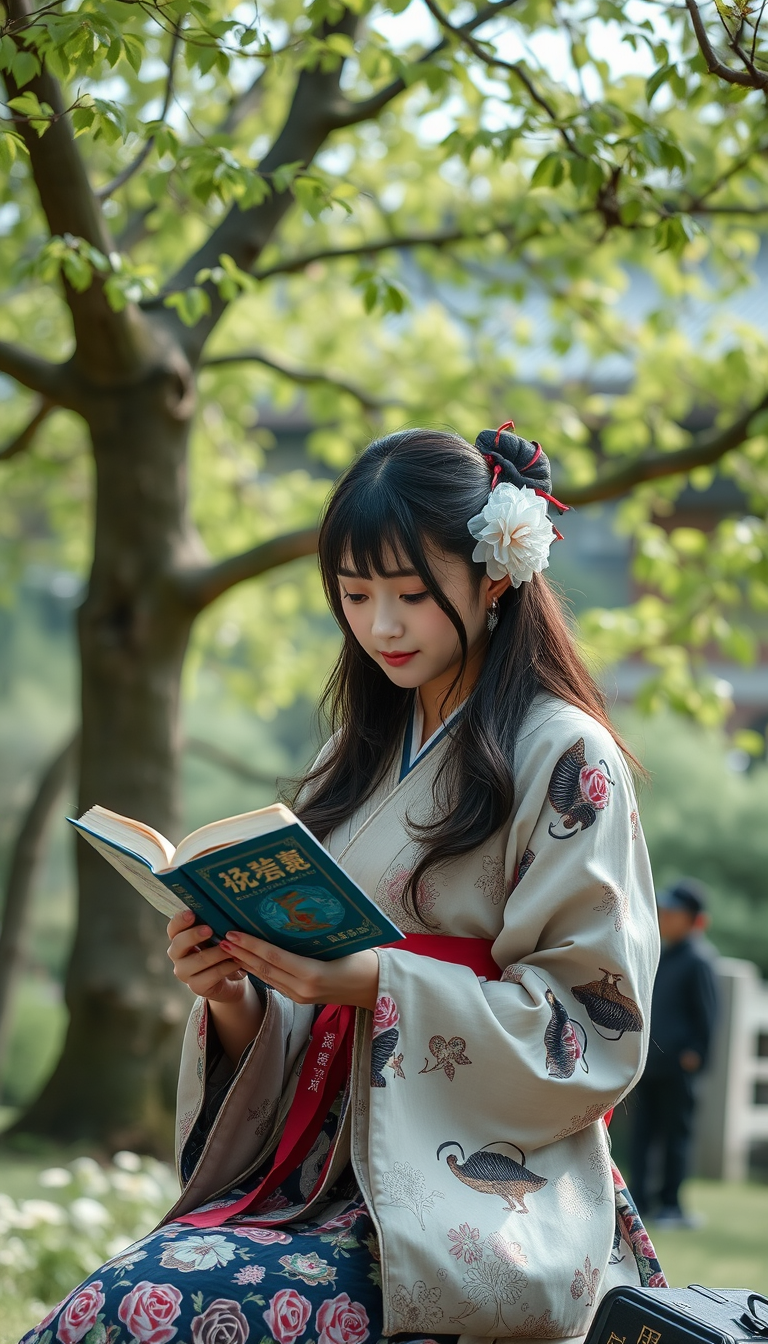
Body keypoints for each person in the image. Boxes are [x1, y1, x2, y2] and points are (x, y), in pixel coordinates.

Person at [23, 426, 664, 1344]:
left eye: (410, 594)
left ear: (495, 576)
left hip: (478, 1204)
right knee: (115, 1301)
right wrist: (239, 988)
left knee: (148, 1308)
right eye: (356, 596)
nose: (381, 627)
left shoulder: (568, 759)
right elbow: (311, 1009)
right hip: (325, 1180)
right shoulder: (351, 757)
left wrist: (378, 982)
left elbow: (596, 1030)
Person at [629, 878, 719, 1227]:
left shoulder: (698, 960)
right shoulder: (661, 956)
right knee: (643, 1135)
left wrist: (695, 1053)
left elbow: (708, 1015)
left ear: (694, 919)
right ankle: (640, 1200)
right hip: (651, 1065)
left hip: (678, 1066)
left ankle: (671, 1204)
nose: (664, 917)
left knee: (674, 1136)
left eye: (672, 912)